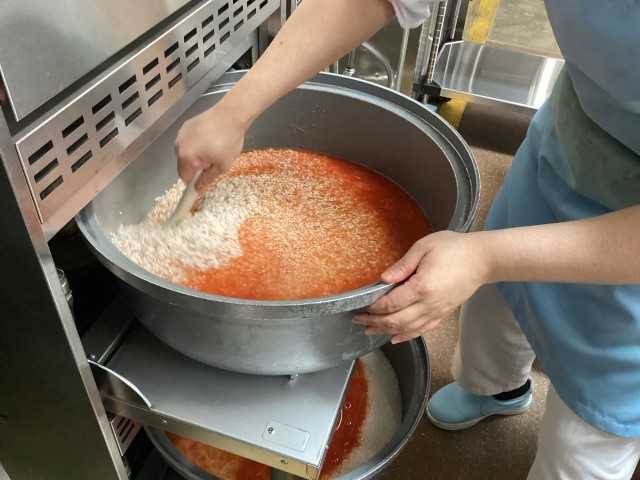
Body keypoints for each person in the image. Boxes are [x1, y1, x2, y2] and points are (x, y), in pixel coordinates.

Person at [175, 0, 640, 477]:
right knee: (498, 303)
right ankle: (496, 389)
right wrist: (236, 110)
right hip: (573, 134)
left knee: (584, 436)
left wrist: (485, 259)